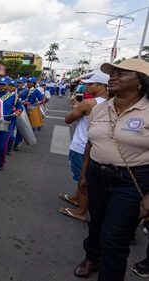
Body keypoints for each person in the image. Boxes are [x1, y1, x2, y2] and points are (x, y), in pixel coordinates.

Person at [73, 58, 149, 280]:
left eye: (121, 74)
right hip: (97, 174)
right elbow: (91, 143)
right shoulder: (99, 109)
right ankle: (91, 257)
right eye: (112, 73)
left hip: (132, 180)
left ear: (140, 82)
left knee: (115, 237)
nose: (113, 77)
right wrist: (84, 175)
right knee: (95, 222)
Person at [58, 71, 109, 223]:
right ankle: (76, 198)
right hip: (95, 147)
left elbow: (68, 119)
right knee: (83, 175)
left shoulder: (89, 103)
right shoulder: (110, 103)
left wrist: (77, 107)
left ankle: (81, 211)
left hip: (81, 146)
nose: (86, 86)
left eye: (90, 84)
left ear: (101, 86)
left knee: (83, 179)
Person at [0, 77, 22, 174]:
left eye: (4, 85)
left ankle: (1, 163)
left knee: (2, 146)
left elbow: (20, 107)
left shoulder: (13, 96)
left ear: (8, 86)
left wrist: (18, 112)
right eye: (0, 84)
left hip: (6, 124)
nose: (2, 86)